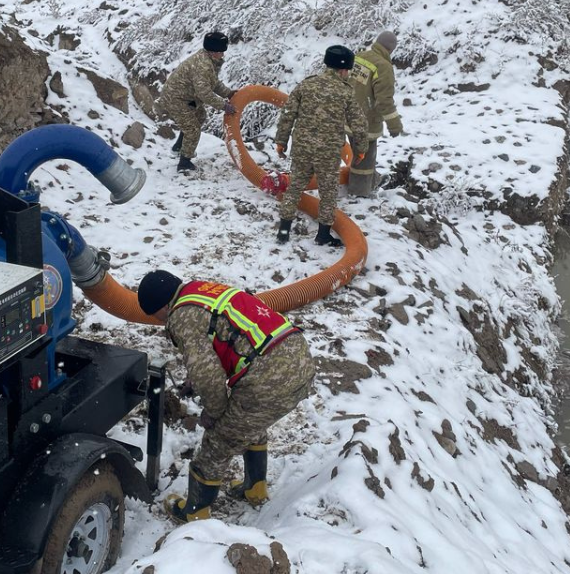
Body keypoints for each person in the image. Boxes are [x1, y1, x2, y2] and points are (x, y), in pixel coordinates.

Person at [136, 270, 315, 523]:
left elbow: (207, 375)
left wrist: (214, 413)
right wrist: (196, 381)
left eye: (155, 316)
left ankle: (194, 512)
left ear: (163, 307)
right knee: (248, 421)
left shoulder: (180, 316)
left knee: (218, 441)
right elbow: (226, 335)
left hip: (269, 379)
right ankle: (255, 488)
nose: (159, 322)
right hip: (298, 360)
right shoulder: (202, 290)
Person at [273, 46, 368, 247]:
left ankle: (283, 231)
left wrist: (281, 141)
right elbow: (358, 124)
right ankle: (323, 234)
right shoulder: (345, 92)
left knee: (295, 186)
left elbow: (287, 115)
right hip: (328, 151)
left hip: (302, 148)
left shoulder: (306, 85)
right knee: (328, 192)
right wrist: (360, 149)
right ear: (343, 69)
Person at [157, 32, 238, 173]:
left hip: (188, 97)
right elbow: (204, 94)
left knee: (200, 116)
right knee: (193, 130)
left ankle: (179, 147)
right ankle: (184, 163)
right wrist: (224, 106)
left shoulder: (209, 60)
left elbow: (213, 82)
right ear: (213, 52)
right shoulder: (203, 66)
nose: (223, 55)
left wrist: (228, 93)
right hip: (175, 98)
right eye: (221, 52)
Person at [347, 30, 404, 196]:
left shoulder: (359, 56)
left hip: (346, 115)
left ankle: (373, 182)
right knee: (364, 161)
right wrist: (395, 126)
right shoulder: (384, 67)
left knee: (358, 154)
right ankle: (359, 195)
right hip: (365, 121)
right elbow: (384, 101)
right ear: (391, 49)